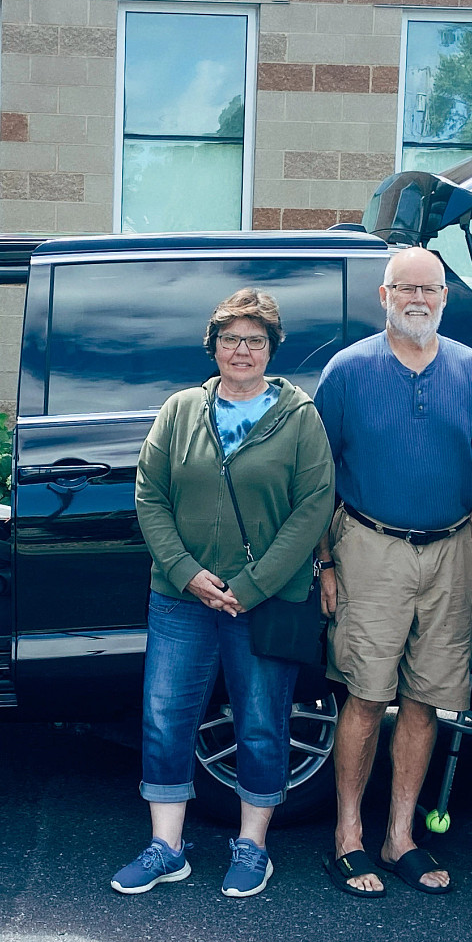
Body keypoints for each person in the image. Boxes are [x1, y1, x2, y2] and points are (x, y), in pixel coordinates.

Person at [115, 289, 336, 898]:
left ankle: (253, 846)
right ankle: (166, 847)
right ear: (212, 345)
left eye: (256, 341)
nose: (243, 350)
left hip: (263, 600)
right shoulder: (181, 409)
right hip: (181, 595)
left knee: (261, 723)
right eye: (232, 339)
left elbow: (315, 506)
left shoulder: (299, 417)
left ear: (272, 350)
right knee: (165, 718)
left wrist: (251, 585)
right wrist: (187, 572)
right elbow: (149, 495)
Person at [314, 247, 472, 897]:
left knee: (428, 700)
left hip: (455, 548)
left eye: (431, 289)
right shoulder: (347, 372)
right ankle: (348, 838)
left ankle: (399, 835)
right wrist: (324, 561)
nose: (419, 300)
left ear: (444, 299)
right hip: (369, 545)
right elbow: (317, 478)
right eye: (407, 288)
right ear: (384, 296)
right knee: (367, 697)